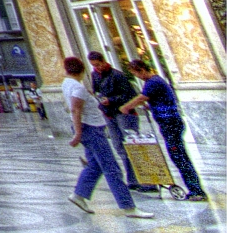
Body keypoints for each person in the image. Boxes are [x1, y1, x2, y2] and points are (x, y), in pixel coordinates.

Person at [64, 57, 153, 217]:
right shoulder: (77, 87)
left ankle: (78, 194)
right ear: (82, 70)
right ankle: (128, 207)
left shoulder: (68, 84)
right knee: (111, 168)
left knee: (95, 165)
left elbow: (75, 108)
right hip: (91, 129)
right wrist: (77, 133)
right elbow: (75, 110)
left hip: (90, 128)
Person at [119, 57, 208, 202]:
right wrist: (151, 106)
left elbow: (142, 97)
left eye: (136, 74)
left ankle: (196, 190)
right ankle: (194, 189)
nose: (137, 77)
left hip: (170, 123)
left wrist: (126, 107)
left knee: (179, 156)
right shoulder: (155, 81)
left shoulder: (153, 82)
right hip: (169, 122)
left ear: (141, 70)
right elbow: (157, 99)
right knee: (178, 156)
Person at [87, 51, 148, 192]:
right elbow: (96, 91)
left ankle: (142, 179)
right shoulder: (94, 75)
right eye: (94, 66)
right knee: (119, 146)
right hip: (109, 114)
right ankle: (132, 179)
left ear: (103, 61)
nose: (97, 68)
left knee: (131, 144)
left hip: (123, 113)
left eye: (98, 64)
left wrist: (112, 100)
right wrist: (100, 100)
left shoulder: (117, 75)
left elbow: (130, 95)